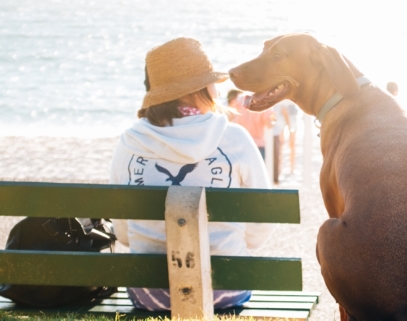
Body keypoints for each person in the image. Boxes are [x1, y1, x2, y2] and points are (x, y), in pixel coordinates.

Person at [109, 37, 276, 311]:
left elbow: (124, 234)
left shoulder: (130, 141)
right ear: (203, 88)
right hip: (226, 287)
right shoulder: (232, 137)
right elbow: (263, 217)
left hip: (149, 292)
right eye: (212, 82)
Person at [230, 90, 274, 160]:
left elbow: (231, 118)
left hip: (242, 144)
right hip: (258, 145)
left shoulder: (239, 99)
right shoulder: (263, 100)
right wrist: (274, 121)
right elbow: (269, 125)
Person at [272, 100, 299, 182]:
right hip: (283, 117)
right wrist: (289, 125)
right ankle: (286, 168)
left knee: (289, 144)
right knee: (283, 145)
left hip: (288, 117)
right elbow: (283, 109)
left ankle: (290, 168)